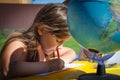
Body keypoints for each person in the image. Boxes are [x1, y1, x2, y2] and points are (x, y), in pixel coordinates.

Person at [0, 3, 76, 79]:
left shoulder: (47, 48)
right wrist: (48, 66)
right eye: (58, 40)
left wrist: (61, 61)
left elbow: (71, 52)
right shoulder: (18, 45)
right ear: (41, 30)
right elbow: (10, 69)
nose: (60, 46)